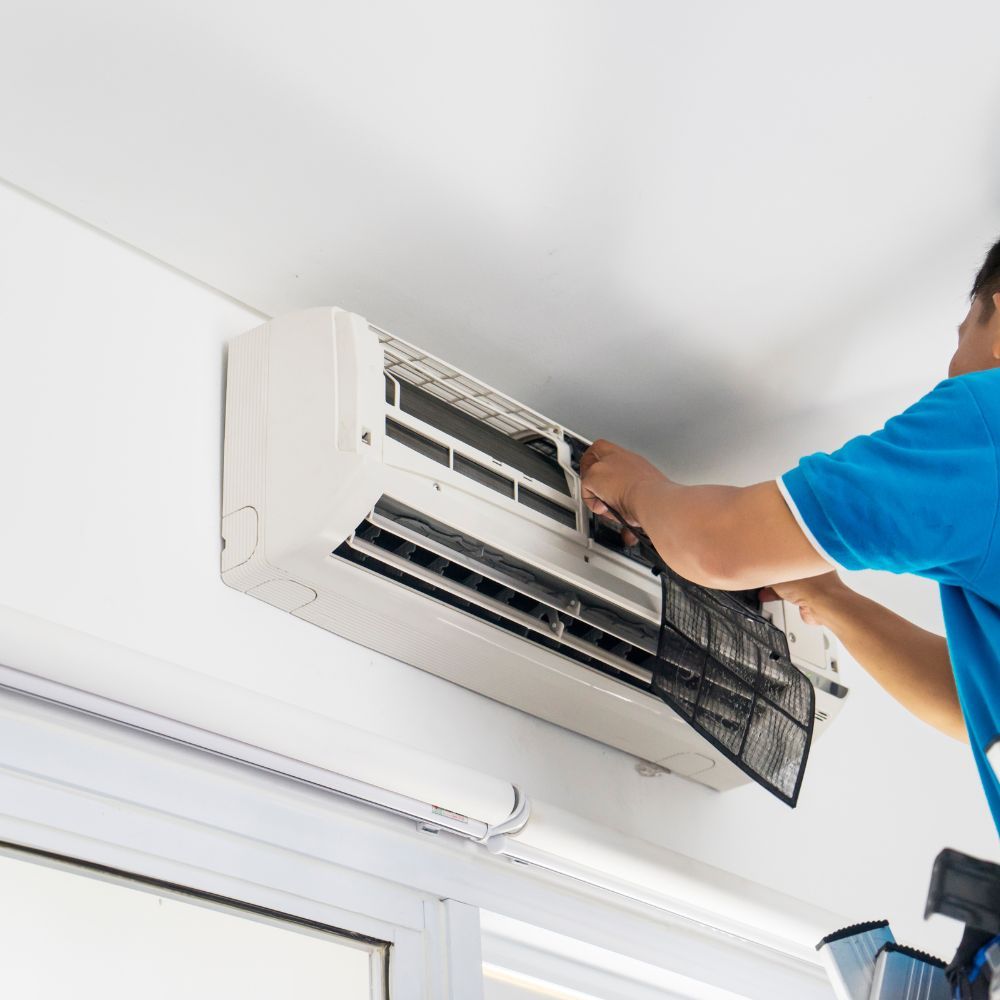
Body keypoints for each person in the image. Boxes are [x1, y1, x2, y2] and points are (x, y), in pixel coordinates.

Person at [579, 239, 1000, 836]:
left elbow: (717, 548)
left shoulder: (988, 422)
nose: (952, 367)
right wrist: (833, 599)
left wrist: (639, 489)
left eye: (961, 339)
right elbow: (975, 709)